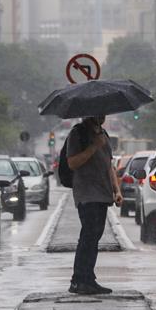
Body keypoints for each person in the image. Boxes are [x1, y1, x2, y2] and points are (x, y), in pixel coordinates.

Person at [66, 115, 123, 295]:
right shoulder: (78, 133)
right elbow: (72, 163)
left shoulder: (103, 133)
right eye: (100, 112)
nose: (103, 116)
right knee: (88, 235)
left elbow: (109, 166)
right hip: (87, 193)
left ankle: (88, 279)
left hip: (103, 193)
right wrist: (93, 147)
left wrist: (117, 189)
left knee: (94, 236)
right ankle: (78, 280)